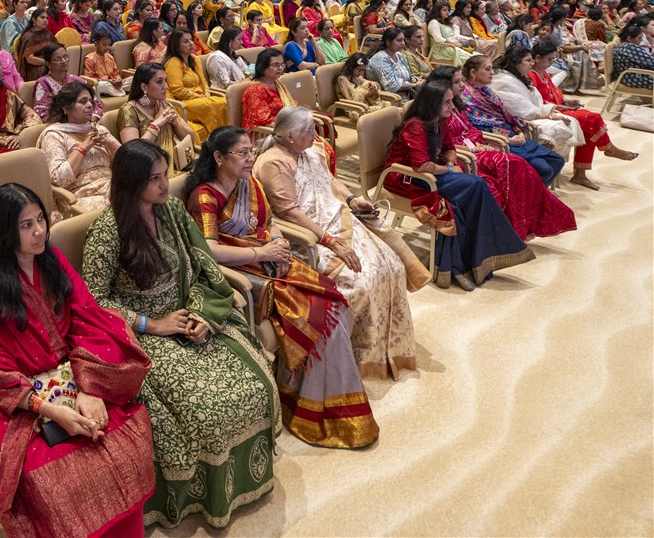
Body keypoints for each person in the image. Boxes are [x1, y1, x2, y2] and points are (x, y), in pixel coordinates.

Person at [81, 140, 280, 527]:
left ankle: (246, 478)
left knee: (255, 386)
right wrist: (152, 324)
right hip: (143, 331)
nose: (165, 184)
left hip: (190, 312)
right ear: (131, 182)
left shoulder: (171, 210)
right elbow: (92, 302)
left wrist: (204, 315)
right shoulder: (107, 232)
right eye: (154, 179)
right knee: (208, 408)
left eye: (165, 174)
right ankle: (204, 498)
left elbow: (204, 266)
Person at [0, 183, 154, 538]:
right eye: (26, 225)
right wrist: (49, 409)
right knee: (54, 479)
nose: (40, 231)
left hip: (74, 376)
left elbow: (89, 318)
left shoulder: (52, 261)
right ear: (3, 231)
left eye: (41, 219)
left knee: (123, 444)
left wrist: (90, 388)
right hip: (16, 401)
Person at [180, 125, 379, 446]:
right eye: (242, 153)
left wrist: (279, 243)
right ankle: (306, 405)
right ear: (218, 157)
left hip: (271, 258)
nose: (250, 158)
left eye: (251, 151)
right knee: (319, 316)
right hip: (244, 270)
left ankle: (319, 393)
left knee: (336, 303)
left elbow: (269, 222)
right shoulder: (205, 196)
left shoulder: (249, 183)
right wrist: (261, 253)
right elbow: (209, 249)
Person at [251, 113, 424, 379]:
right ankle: (353, 355)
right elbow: (289, 212)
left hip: (337, 218)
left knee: (392, 264)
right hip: (306, 237)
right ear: (289, 136)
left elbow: (330, 181)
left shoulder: (311, 151)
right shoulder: (274, 162)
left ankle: (385, 350)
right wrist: (332, 242)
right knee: (360, 281)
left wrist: (353, 200)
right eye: (309, 130)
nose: (315, 134)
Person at [383, 83, 534, 291]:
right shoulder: (416, 126)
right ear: (432, 104)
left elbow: (449, 148)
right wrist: (449, 170)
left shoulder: (440, 121)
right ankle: (461, 265)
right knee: (475, 187)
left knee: (470, 195)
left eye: (451, 101)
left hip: (429, 175)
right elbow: (421, 166)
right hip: (405, 178)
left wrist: (451, 162)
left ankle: (471, 262)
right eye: (447, 102)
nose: (452, 106)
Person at [426, 66, 576, 240]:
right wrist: (476, 148)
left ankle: (523, 224)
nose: (462, 85)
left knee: (522, 168)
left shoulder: (456, 104)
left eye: (461, 80)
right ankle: (510, 230)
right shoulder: (438, 110)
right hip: (464, 157)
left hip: (477, 148)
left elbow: (470, 129)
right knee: (507, 175)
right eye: (457, 82)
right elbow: (443, 146)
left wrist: (482, 142)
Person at [530, 41, 637, 186]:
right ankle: (609, 148)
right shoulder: (532, 75)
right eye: (550, 59)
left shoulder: (542, 72)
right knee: (593, 119)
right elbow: (536, 102)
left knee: (590, 127)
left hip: (559, 108)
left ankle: (580, 175)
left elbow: (553, 93)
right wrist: (558, 106)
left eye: (554, 59)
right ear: (537, 58)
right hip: (550, 112)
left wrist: (567, 101)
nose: (552, 62)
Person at [460, 54, 569, 187]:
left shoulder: (488, 91)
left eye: (492, 69)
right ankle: (529, 195)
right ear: (473, 73)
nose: (492, 72)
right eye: (488, 69)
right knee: (544, 169)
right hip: (496, 140)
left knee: (557, 160)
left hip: (510, 132)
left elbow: (507, 115)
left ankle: (533, 194)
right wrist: (509, 140)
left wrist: (519, 131)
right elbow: (473, 130)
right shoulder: (465, 98)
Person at [488, 48, 585, 167]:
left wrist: (554, 108)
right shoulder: (504, 81)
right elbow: (520, 110)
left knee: (571, 121)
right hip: (520, 122)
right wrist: (550, 116)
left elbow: (538, 102)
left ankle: (555, 162)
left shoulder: (523, 77)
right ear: (516, 62)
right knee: (559, 127)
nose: (532, 63)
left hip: (534, 115)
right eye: (528, 60)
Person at [38, 82, 120, 217]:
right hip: (79, 196)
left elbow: (128, 163)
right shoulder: (54, 136)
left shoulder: (99, 130)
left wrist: (110, 144)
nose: (89, 105)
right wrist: (83, 147)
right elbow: (59, 180)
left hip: (109, 186)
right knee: (123, 207)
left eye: (90, 101)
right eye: (83, 101)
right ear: (66, 108)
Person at [117, 63, 196, 177]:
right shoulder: (129, 111)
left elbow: (191, 139)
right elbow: (133, 155)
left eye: (165, 81)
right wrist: (156, 124)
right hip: (147, 173)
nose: (166, 86)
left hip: (173, 164)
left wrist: (175, 123)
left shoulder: (164, 105)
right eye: (159, 82)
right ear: (144, 87)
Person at [163, 29, 226, 140]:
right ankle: (219, 138)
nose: (191, 43)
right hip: (184, 103)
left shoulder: (195, 59)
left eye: (191, 40)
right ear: (176, 45)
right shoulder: (173, 62)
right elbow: (177, 90)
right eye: (186, 41)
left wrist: (206, 92)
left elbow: (203, 81)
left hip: (200, 98)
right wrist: (198, 96)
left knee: (225, 101)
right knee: (220, 103)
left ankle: (224, 137)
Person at [33, 43, 100, 123]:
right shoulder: (43, 83)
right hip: (59, 125)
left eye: (65, 57)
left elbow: (96, 104)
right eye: (58, 59)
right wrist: (71, 121)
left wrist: (93, 118)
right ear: (48, 64)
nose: (63, 61)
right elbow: (42, 113)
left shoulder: (77, 80)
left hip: (84, 122)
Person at [366, 27, 419, 101]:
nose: (403, 43)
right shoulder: (381, 59)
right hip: (389, 98)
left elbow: (409, 75)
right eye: (399, 40)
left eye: (403, 40)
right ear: (388, 42)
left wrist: (416, 80)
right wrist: (413, 85)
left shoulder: (399, 55)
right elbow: (391, 86)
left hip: (406, 94)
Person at [14, 7, 57, 82]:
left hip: (49, 63)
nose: (45, 20)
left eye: (47, 18)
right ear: (34, 20)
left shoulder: (48, 34)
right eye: (42, 17)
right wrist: (47, 63)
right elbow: (30, 59)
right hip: (34, 67)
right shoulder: (29, 36)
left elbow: (56, 49)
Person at [611, 23, 654, 90]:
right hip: (635, 79)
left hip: (626, 78)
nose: (641, 40)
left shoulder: (620, 46)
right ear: (629, 38)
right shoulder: (630, 47)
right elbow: (651, 62)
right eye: (639, 38)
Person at [83, 30, 124, 98]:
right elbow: (90, 79)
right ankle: (121, 93)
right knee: (102, 85)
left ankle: (117, 91)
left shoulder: (110, 57)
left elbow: (116, 73)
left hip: (114, 84)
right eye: (104, 45)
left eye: (109, 44)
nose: (107, 47)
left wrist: (118, 80)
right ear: (96, 44)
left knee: (132, 79)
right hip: (102, 85)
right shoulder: (90, 59)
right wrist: (109, 82)